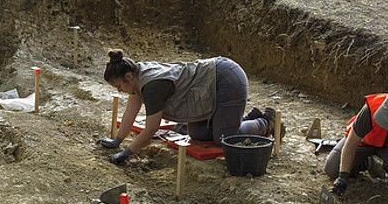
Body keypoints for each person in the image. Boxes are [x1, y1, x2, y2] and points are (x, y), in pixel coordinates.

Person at [98, 50, 273, 165]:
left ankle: (265, 122)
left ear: (128, 77)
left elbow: (151, 129)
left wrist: (127, 153)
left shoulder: (152, 86)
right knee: (197, 134)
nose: (120, 91)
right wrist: (117, 141)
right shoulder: (137, 77)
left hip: (226, 79)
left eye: (118, 86)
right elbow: (131, 111)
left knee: (224, 138)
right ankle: (243, 120)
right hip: (209, 86)